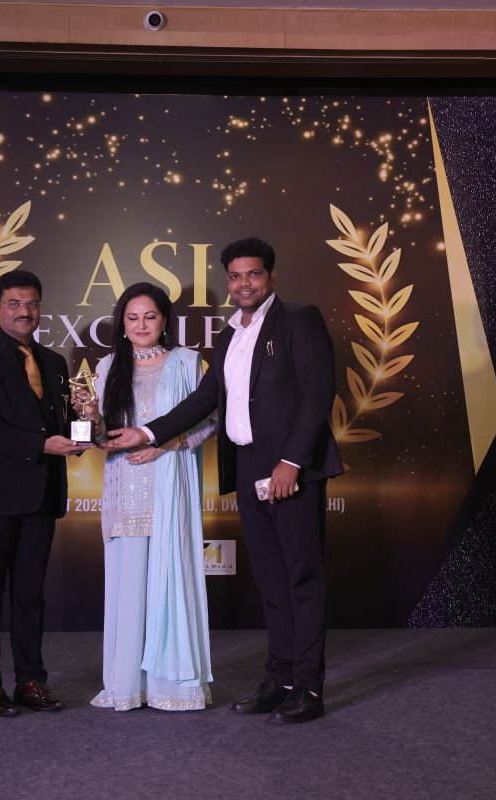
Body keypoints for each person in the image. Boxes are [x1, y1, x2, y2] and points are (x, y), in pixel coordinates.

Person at [103, 238, 343, 724]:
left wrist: (292, 462)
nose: (244, 284)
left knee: (302, 577)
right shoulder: (230, 335)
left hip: (290, 469)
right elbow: (202, 402)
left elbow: (318, 395)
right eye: (235, 276)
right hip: (248, 467)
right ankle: (280, 680)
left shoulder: (300, 319)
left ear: (270, 277)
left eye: (253, 274)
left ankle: (309, 688)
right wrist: (146, 433)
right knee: (271, 580)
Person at [0, 269, 90, 716]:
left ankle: (31, 681)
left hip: (41, 496)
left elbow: (65, 423)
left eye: (31, 304)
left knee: (30, 595)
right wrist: (42, 445)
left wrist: (85, 429)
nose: (24, 312)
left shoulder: (54, 363)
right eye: (14, 304)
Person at [79, 282, 215, 711]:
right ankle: (126, 686)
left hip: (171, 482)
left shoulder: (189, 362)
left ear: (165, 320)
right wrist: (92, 416)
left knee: (172, 581)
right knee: (130, 586)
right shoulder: (107, 367)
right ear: (122, 323)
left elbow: (211, 420)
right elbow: (102, 438)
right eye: (132, 317)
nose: (141, 325)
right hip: (125, 486)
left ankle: (172, 688)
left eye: (150, 316)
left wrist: (167, 445)